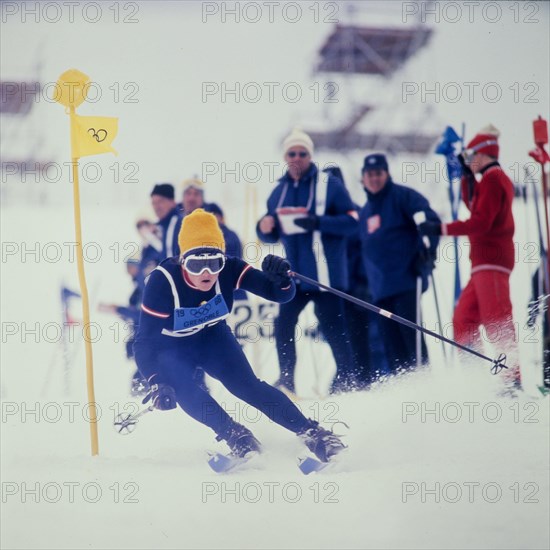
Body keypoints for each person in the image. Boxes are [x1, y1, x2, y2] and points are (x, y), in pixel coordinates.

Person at [133, 208, 346, 462]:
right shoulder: (162, 282)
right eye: (196, 264)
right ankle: (236, 436)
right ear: (182, 261)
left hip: (212, 338)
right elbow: (144, 341)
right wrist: (156, 381)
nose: (207, 273)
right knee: (184, 388)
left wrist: (281, 280)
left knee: (248, 387)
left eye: (214, 263)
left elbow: (279, 294)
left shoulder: (230, 269)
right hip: (171, 347)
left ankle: (315, 434)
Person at [256, 128, 360, 394]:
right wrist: (264, 227)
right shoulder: (278, 192)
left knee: (334, 328)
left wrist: (318, 222)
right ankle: (287, 380)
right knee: (284, 324)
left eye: (303, 153)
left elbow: (353, 222)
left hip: (327, 276)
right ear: (285, 156)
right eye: (292, 153)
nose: (297, 157)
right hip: (295, 276)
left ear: (310, 156)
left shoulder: (329, 185)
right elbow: (269, 234)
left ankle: (348, 381)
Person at [419, 124, 520, 389]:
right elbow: (475, 207)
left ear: (483, 153)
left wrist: (441, 229)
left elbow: (480, 222)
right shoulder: (487, 180)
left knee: (497, 319)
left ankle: (512, 380)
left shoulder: (494, 178)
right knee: (464, 320)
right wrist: (465, 178)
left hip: (493, 261)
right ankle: (476, 380)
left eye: (469, 156)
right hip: (482, 264)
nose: (466, 161)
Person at [359, 153, 440, 374]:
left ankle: (425, 385)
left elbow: (428, 219)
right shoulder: (365, 212)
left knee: (411, 339)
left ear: (386, 174)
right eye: (370, 174)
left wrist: (429, 250)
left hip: (406, 282)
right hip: (380, 291)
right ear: (363, 178)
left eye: (379, 173)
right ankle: (403, 392)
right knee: (392, 346)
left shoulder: (402, 196)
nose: (374, 178)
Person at [98, 256, 149, 396]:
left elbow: (143, 315)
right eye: (127, 268)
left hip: (149, 338)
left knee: (143, 374)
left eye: (131, 267)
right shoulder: (138, 288)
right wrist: (119, 313)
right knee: (140, 374)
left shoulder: (145, 284)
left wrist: (118, 309)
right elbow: (135, 316)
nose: (128, 271)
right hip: (140, 336)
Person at [150, 183, 183, 259]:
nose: (157, 207)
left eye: (160, 201)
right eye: (154, 203)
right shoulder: (163, 226)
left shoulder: (179, 223)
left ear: (172, 202)